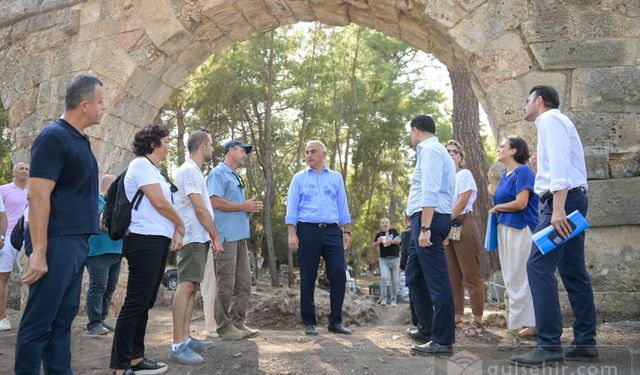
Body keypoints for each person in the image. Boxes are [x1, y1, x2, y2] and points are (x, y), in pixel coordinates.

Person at [15, 74, 103, 374]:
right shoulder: (54, 136)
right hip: (56, 242)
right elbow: (38, 196)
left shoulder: (80, 139)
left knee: (62, 322)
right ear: (84, 104)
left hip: (77, 242)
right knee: (39, 323)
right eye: (100, 102)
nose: (104, 108)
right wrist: (39, 252)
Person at [511, 86, 597, 367]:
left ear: (539, 101)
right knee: (573, 270)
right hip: (570, 200)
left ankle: (548, 345)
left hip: (563, 204)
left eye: (526, 101)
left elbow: (561, 167)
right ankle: (585, 342)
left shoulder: (548, 120)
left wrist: (558, 208)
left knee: (538, 266)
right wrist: (542, 173)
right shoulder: (557, 122)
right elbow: (561, 166)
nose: (523, 106)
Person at [110, 124, 185, 375]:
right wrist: (180, 224)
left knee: (145, 302)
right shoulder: (140, 165)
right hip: (143, 240)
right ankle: (121, 366)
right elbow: (159, 202)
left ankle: (135, 358)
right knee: (135, 302)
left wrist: (174, 231)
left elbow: (162, 205)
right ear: (153, 144)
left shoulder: (156, 170)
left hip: (156, 240)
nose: (169, 145)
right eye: (166, 140)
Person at [286, 140, 353, 336]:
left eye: (313, 151)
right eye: (306, 152)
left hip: (332, 231)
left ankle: (335, 322)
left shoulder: (335, 178)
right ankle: (309, 323)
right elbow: (292, 207)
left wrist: (347, 231)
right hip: (307, 230)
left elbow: (343, 206)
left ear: (323, 153)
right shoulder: (298, 179)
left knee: (339, 273)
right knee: (308, 276)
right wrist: (292, 232)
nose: (309, 155)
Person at [404, 115, 456, 356]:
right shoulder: (429, 151)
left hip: (430, 221)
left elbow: (430, 189)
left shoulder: (432, 150)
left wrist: (425, 228)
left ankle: (443, 340)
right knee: (414, 275)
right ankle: (427, 327)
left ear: (415, 131)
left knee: (437, 281)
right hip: (421, 220)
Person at [170, 130, 222, 364]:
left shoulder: (194, 171)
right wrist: (215, 236)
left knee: (191, 287)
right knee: (186, 286)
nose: (212, 148)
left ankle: (186, 338)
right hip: (192, 237)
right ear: (202, 145)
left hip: (197, 237)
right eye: (210, 144)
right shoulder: (189, 170)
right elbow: (200, 209)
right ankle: (177, 344)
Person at [205, 139, 262, 340]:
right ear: (231, 150)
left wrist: (248, 209)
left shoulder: (234, 175)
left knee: (244, 283)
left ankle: (238, 322)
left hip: (239, 238)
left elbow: (236, 206)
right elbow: (213, 201)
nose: (245, 154)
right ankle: (223, 326)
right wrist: (243, 207)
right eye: (242, 151)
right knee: (226, 283)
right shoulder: (218, 173)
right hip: (225, 237)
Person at [490, 136, 538, 349]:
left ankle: (512, 331)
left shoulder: (524, 171)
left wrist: (498, 208)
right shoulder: (504, 174)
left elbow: (521, 203)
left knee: (517, 279)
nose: (499, 149)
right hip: (505, 230)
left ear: (514, 150)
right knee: (514, 278)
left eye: (503, 146)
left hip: (520, 229)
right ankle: (535, 324)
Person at [443, 140, 486, 337]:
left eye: (455, 152)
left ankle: (477, 319)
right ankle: (456, 317)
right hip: (445, 228)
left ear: (460, 157)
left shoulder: (464, 175)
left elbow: (462, 201)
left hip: (462, 223)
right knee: (452, 276)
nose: (451, 154)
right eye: (447, 152)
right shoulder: (441, 179)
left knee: (471, 275)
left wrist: (444, 222)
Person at [85, 174, 122, 336]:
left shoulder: (118, 203)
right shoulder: (94, 201)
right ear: (109, 185)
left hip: (117, 251)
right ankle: (94, 323)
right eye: (116, 185)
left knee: (110, 287)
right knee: (98, 286)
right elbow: (100, 224)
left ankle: (101, 318)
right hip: (98, 251)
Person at [0, 162, 29, 331]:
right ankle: (2, 317)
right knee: (3, 278)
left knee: (29, 276)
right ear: (13, 172)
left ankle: (27, 315)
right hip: (7, 239)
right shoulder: (3, 189)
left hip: (25, 239)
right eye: (21, 168)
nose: (24, 171)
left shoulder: (31, 192)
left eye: (27, 169)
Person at [372, 217, 401, 306]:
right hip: (384, 260)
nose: (385, 224)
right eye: (383, 223)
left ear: (389, 224)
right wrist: (378, 242)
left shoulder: (394, 231)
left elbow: (399, 241)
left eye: (386, 222)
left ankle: (393, 300)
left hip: (395, 259)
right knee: (384, 277)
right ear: (381, 225)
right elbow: (373, 247)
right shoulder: (379, 234)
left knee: (395, 281)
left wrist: (389, 241)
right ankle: (383, 299)